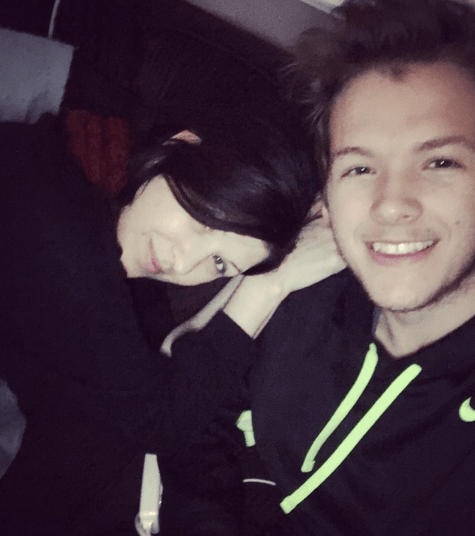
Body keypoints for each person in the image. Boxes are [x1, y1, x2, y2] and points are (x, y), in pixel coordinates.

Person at [160, 1, 475, 534]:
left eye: (439, 162)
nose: (391, 205)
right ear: (326, 198)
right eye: (359, 168)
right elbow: (191, 409)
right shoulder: (310, 284)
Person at [0, 111, 343, 535]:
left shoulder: (105, 220)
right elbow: (160, 422)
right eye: (205, 219)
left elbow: (158, 371)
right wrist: (271, 285)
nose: (182, 264)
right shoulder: (58, 232)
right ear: (183, 142)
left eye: (219, 263)